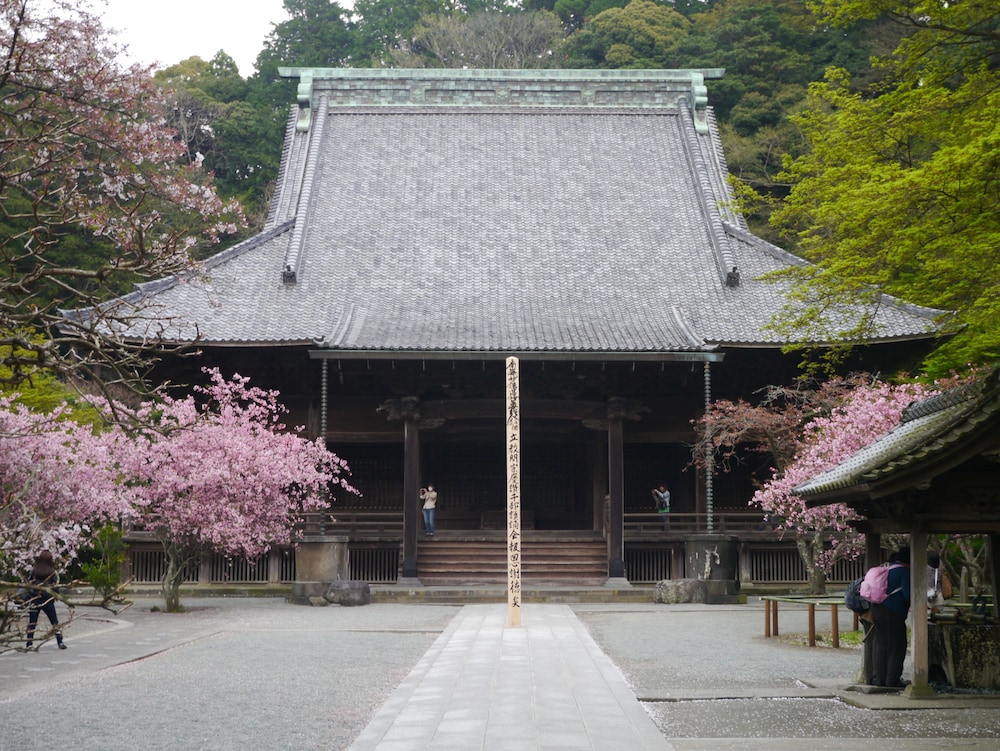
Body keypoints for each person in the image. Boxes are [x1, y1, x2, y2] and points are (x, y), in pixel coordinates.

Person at [868, 547, 911, 687]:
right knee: (897, 645)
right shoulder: (904, 572)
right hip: (893, 611)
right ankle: (892, 679)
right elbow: (908, 594)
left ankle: (878, 678)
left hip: (876, 609)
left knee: (881, 644)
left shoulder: (885, 570)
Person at [25, 550, 66, 650]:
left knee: (32, 622)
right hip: (47, 600)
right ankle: (60, 642)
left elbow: (28, 583)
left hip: (35, 599)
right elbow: (55, 586)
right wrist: (56, 596)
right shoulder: (51, 572)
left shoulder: (35, 570)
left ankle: (29, 643)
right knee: (54, 622)